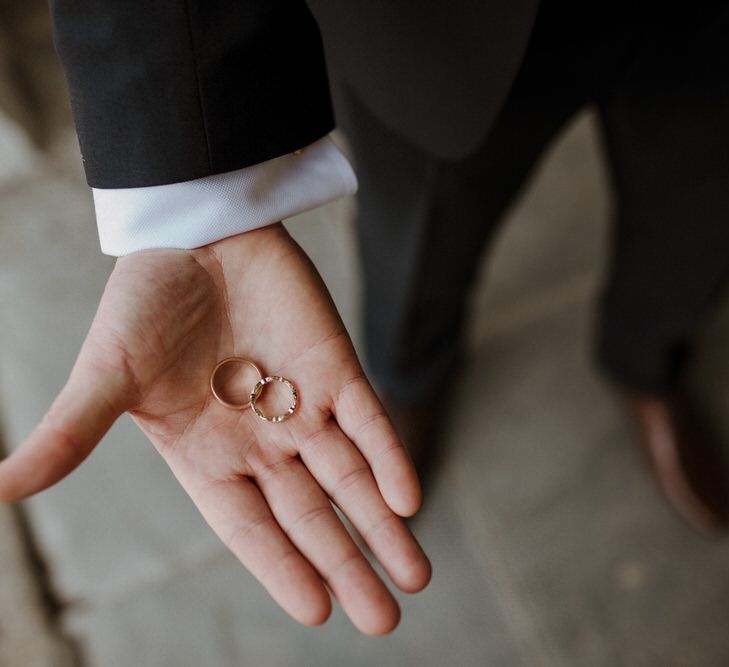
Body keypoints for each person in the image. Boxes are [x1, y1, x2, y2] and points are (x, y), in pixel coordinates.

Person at [0, 0, 727, 636]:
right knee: (419, 247)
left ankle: (647, 360)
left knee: (698, 220)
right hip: (445, 35)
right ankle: (409, 378)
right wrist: (195, 204)